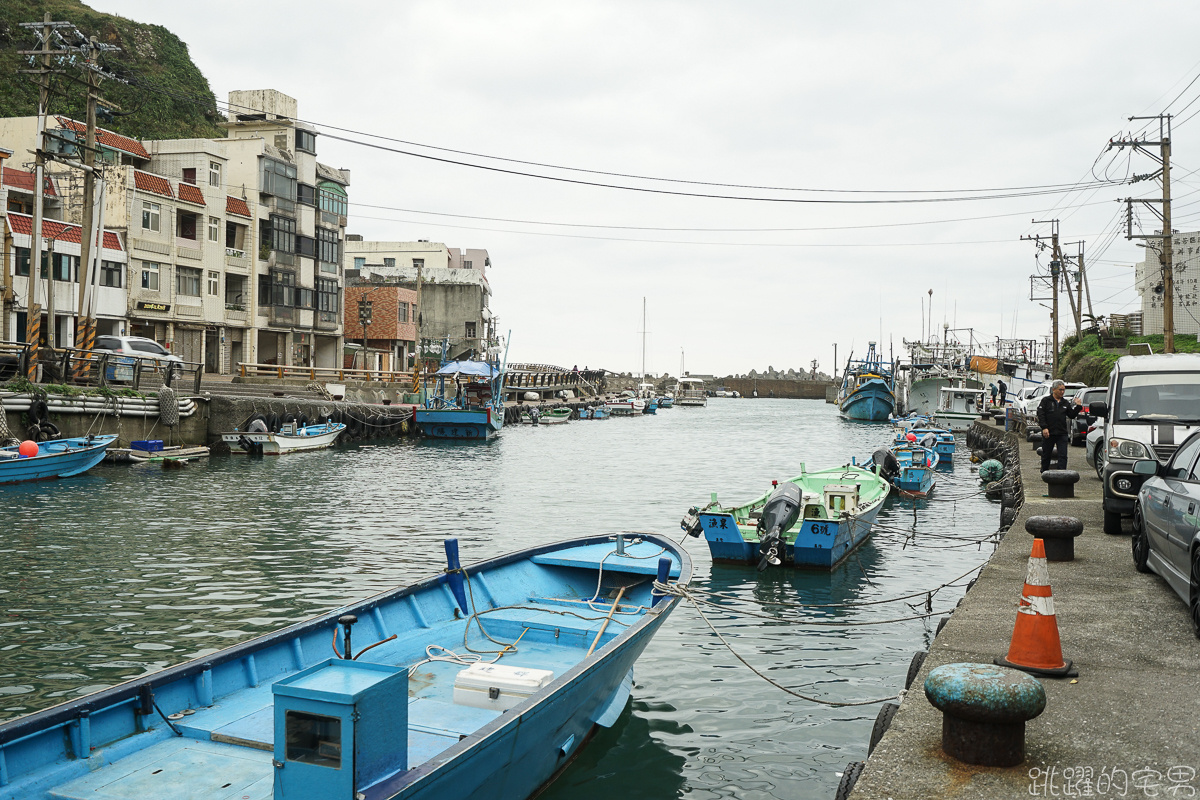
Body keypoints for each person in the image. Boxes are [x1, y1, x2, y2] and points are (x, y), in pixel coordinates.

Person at [1036, 380, 1082, 473]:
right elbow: (1041, 414)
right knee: (1046, 454)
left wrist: (1078, 406)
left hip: (1062, 433)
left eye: (1063, 390)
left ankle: (1062, 473)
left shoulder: (1065, 402)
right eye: (1060, 390)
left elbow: (1071, 415)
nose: (1062, 392)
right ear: (1054, 389)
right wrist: (1044, 427)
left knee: (1063, 455)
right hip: (1049, 432)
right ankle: (1044, 471)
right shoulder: (1046, 401)